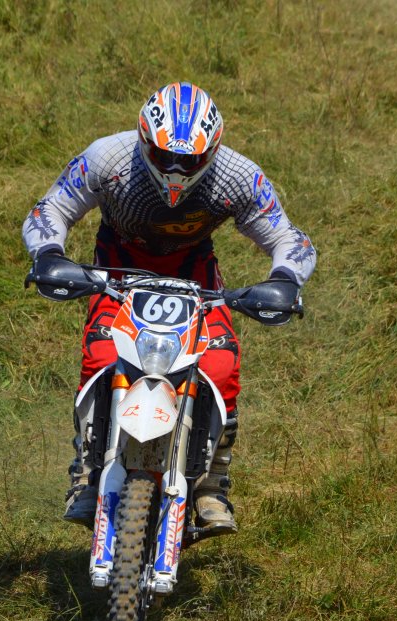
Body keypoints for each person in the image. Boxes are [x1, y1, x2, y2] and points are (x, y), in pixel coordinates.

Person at [22, 82, 316, 535]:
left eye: (191, 161)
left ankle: (212, 484)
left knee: (219, 365)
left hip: (195, 277)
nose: (176, 170)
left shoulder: (239, 176)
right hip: (117, 271)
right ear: (143, 140)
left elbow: (288, 237)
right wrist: (48, 254)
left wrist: (284, 279)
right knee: (102, 357)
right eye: (164, 157)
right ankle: (86, 471)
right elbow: (50, 210)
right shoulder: (108, 158)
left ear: (213, 151)